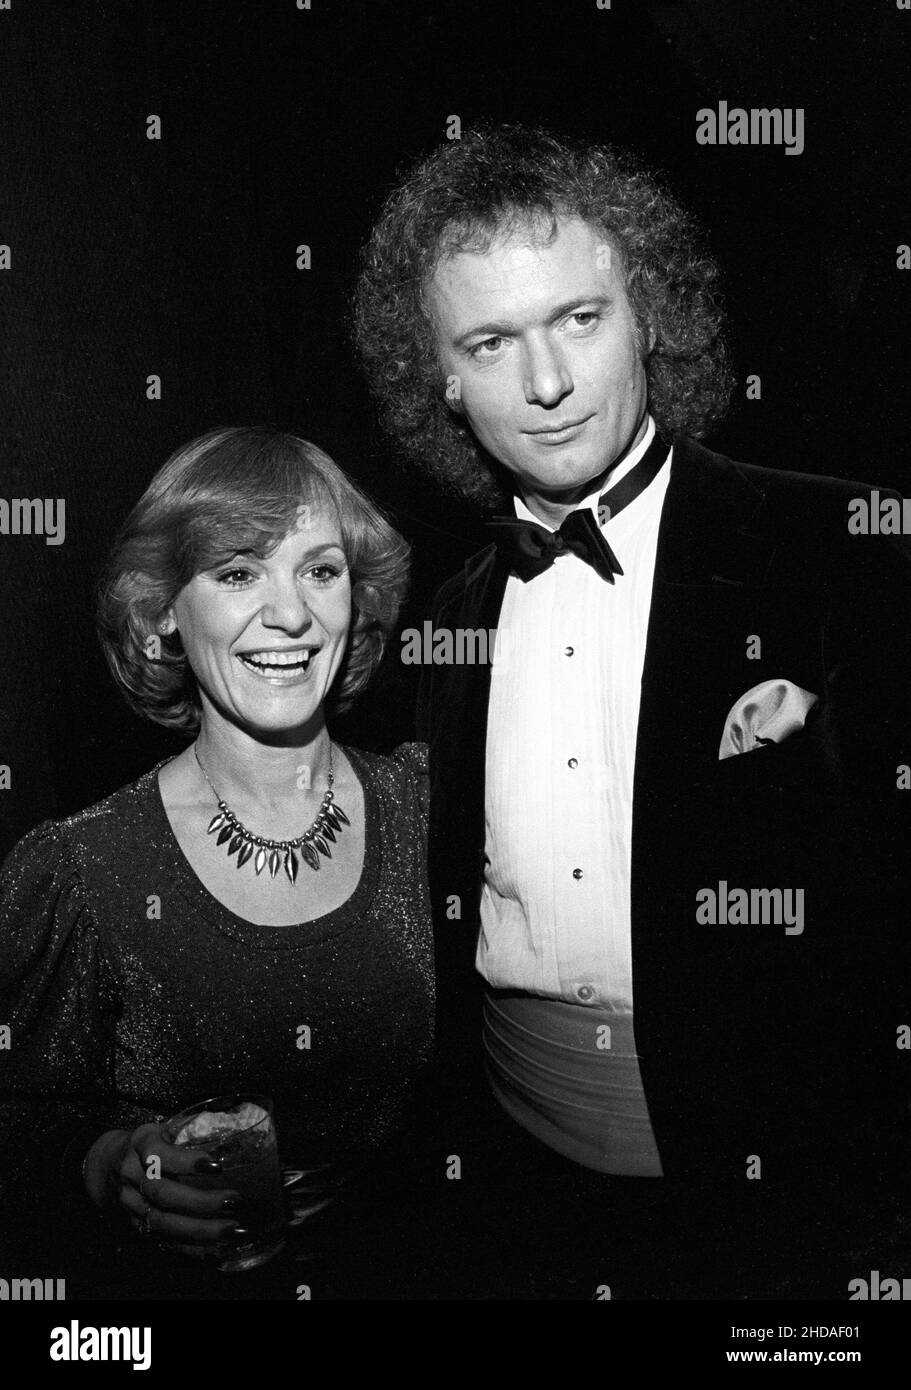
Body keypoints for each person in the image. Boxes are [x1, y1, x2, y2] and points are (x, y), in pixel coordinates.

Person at [355, 124, 911, 1298]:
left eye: (579, 319)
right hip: (519, 1195)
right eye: (491, 341)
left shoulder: (846, 543)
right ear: (439, 380)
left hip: (784, 1209)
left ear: (649, 312)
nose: (546, 383)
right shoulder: (444, 620)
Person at [0, 426, 433, 1298]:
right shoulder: (81, 869)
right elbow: (21, 1132)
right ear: (163, 610)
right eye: (238, 573)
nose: (290, 615)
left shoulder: (430, 805)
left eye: (320, 570)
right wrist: (118, 1165)